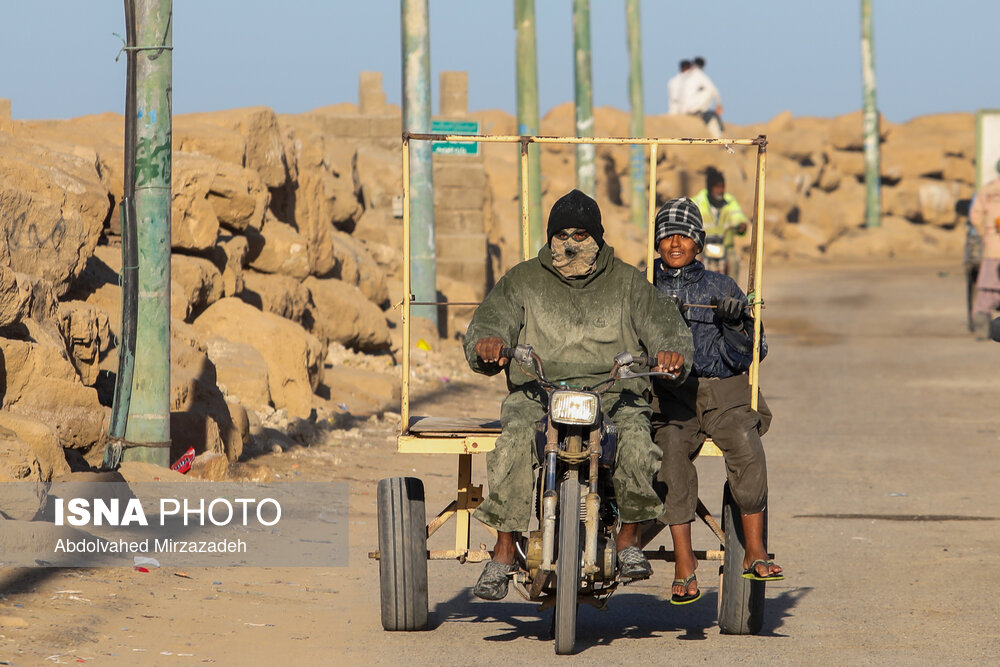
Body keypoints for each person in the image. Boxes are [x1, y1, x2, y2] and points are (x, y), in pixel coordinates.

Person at [464, 189, 693, 601]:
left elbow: (665, 326)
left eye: (581, 234)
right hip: (538, 390)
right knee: (512, 442)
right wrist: (488, 342)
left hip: (612, 391)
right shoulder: (522, 280)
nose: (570, 242)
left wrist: (671, 351)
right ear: (551, 237)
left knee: (639, 442)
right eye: (562, 234)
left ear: (598, 238)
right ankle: (503, 549)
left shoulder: (626, 281)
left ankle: (627, 538)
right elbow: (489, 322)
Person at [648, 197, 782, 606]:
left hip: (724, 394)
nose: (675, 243)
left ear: (699, 242)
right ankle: (684, 562)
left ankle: (755, 551)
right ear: (656, 243)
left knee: (747, 445)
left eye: (684, 235)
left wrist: (736, 323)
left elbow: (753, 352)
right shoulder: (642, 288)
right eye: (667, 235)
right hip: (672, 398)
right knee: (670, 455)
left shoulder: (722, 287)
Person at [691, 167, 749, 281]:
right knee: (692, 262)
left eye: (722, 187)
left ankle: (732, 291)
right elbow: (689, 214)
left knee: (733, 261)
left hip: (725, 246)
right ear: (710, 188)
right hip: (702, 247)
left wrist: (741, 224)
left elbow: (737, 215)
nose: (720, 190)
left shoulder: (729, 201)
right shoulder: (698, 201)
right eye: (716, 187)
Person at [969, 160, 1000, 339]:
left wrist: (986, 235)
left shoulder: (987, 190)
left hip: (993, 249)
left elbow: (975, 216)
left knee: (986, 293)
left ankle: (981, 325)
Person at [681, 56, 723, 137]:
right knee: (708, 91)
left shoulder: (684, 76)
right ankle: (698, 111)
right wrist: (719, 103)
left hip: (682, 108)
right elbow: (713, 89)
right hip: (692, 109)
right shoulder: (699, 74)